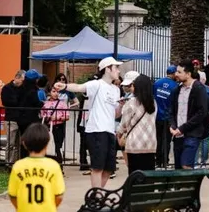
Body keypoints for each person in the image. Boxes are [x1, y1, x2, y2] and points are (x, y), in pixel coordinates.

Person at [54, 57, 123, 188]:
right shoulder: (96, 84)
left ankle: (97, 194)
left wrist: (121, 106)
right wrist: (65, 86)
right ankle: (96, 196)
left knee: (109, 168)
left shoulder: (116, 89)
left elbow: (116, 114)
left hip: (109, 131)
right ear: (107, 69)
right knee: (97, 167)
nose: (119, 71)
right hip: (96, 130)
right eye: (116, 68)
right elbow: (79, 87)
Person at [8, 123, 65, 212]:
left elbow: (13, 195)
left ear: (24, 144)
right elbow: (59, 196)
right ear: (47, 144)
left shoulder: (18, 166)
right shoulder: (53, 166)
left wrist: (21, 208)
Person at [169, 61, 209, 169]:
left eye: (179, 72)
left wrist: (182, 128)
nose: (176, 74)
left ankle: (189, 186)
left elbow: (201, 112)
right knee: (178, 166)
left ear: (188, 74)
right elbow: (171, 111)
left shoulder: (199, 89)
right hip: (177, 134)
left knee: (186, 165)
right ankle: (179, 186)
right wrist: (173, 126)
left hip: (192, 133)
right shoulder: (176, 90)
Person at [117, 74, 158, 173]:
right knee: (148, 175)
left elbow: (124, 124)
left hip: (135, 144)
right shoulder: (154, 103)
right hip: (150, 144)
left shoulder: (131, 103)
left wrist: (118, 134)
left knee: (135, 175)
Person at [15, 70, 45, 159]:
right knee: (30, 141)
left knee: (23, 140)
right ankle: (29, 159)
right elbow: (36, 103)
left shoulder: (20, 88)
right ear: (34, 80)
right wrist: (43, 103)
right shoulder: (32, 90)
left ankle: (23, 158)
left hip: (21, 119)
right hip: (30, 119)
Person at [153, 65, 178, 168]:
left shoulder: (157, 83)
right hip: (168, 117)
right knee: (167, 141)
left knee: (158, 140)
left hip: (157, 116)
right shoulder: (175, 86)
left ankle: (158, 162)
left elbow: (153, 97)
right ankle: (165, 161)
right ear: (173, 74)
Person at [1, 70, 26, 163]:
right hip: (11, 119)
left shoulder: (23, 88)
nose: (23, 83)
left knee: (19, 144)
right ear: (17, 78)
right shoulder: (7, 88)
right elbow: (6, 102)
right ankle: (8, 162)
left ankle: (17, 162)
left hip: (21, 119)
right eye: (22, 80)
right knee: (11, 143)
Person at [40, 86, 70, 164]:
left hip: (58, 127)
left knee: (57, 147)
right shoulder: (46, 104)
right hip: (48, 127)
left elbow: (67, 116)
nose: (56, 93)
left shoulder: (62, 104)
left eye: (57, 92)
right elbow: (42, 114)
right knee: (47, 146)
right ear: (50, 92)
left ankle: (59, 166)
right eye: (54, 91)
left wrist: (58, 118)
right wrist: (47, 117)